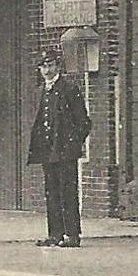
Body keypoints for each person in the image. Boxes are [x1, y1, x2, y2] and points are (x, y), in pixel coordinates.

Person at [29, 48, 91, 248]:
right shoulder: (40, 92)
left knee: (68, 191)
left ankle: (72, 234)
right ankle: (55, 233)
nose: (47, 70)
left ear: (58, 66)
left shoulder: (69, 90)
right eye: (43, 66)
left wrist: (73, 144)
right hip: (48, 151)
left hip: (65, 151)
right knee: (52, 192)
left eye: (50, 65)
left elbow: (84, 122)